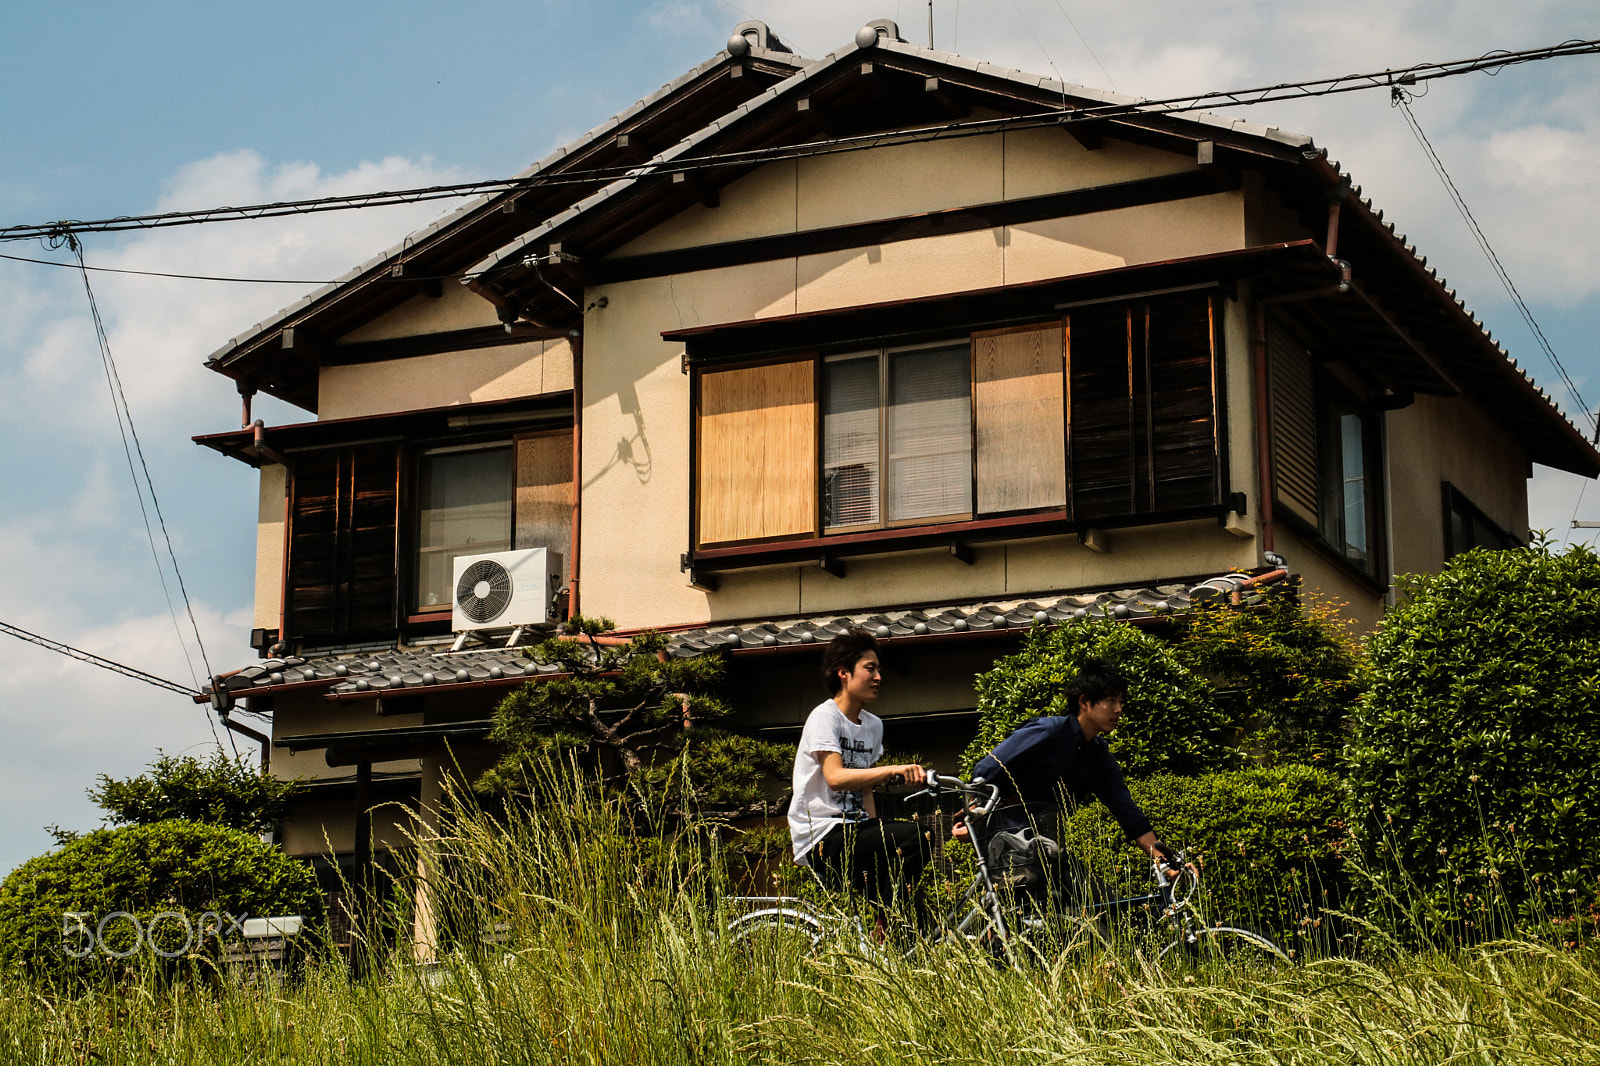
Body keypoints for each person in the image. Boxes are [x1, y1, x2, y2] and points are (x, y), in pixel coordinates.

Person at [969, 658, 1179, 893]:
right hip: (1010, 847)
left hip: (1049, 850)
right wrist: (972, 816)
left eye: (1121, 702)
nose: (1118, 709)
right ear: (1084, 702)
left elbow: (1129, 814)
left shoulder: (1098, 757)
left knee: (1107, 902)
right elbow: (988, 769)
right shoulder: (1048, 732)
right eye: (1110, 701)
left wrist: (1164, 862)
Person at [788, 628, 933, 911]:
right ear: (844, 673)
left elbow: (866, 790)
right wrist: (894, 770)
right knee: (918, 835)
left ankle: (889, 919)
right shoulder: (825, 717)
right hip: (823, 835)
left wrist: (874, 826)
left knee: (915, 914)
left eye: (879, 669)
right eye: (870, 669)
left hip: (857, 831)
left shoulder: (873, 725)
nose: (878, 677)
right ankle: (889, 916)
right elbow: (836, 778)